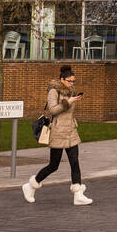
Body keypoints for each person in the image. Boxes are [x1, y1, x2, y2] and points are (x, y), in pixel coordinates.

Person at [21, 65, 92, 206]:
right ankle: (31, 185)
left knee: (75, 162)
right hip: (58, 132)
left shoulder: (71, 91)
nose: (72, 84)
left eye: (73, 81)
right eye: (70, 81)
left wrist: (73, 100)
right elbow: (53, 110)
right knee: (54, 165)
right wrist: (68, 102)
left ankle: (78, 193)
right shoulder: (53, 91)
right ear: (62, 80)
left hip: (71, 130)